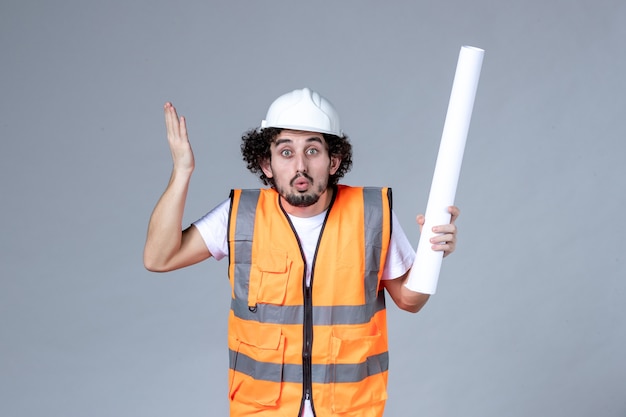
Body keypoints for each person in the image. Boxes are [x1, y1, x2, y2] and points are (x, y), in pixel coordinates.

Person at [144, 88, 459, 417]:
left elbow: (410, 301)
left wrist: (431, 255)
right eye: (285, 152)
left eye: (312, 150)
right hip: (262, 411)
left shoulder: (371, 215)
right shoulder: (240, 215)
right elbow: (158, 257)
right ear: (266, 163)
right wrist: (182, 171)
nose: (300, 165)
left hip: (350, 411)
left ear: (333, 161)